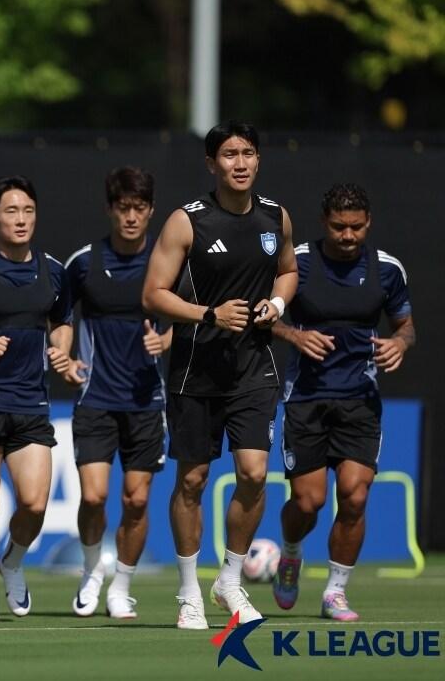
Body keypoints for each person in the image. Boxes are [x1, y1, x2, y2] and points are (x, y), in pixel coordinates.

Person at [142, 121, 298, 629]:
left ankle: (228, 580)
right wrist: (209, 314)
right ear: (212, 163)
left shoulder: (276, 217)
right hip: (195, 368)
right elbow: (153, 295)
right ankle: (188, 591)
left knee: (254, 474)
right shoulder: (187, 222)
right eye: (229, 154)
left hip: (255, 366)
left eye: (248, 153)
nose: (240, 162)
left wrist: (277, 302)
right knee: (192, 479)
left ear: (258, 160)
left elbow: (289, 270)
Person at [271, 183, 414, 621]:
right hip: (307, 399)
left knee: (354, 497)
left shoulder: (387, 269)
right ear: (323, 224)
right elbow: (263, 317)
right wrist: (294, 334)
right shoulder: (298, 264)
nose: (348, 235)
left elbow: (407, 327)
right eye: (339, 227)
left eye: (356, 227)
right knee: (309, 503)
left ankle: (335, 592)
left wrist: (401, 344)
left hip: (359, 400)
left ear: (368, 223)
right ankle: (291, 552)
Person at [0, 175, 72, 624]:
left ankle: (13, 562)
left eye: (28, 211)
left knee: (35, 504)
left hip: (31, 403)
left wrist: (61, 349)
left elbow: (61, 321)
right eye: (11, 211)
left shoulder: (54, 272)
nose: (21, 220)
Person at [63, 167, 170, 619]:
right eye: (123, 208)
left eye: (139, 209)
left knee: (138, 500)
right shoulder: (83, 262)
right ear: (110, 209)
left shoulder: (168, 263)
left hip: (147, 402)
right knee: (92, 497)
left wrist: (166, 341)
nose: (131, 217)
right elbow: (62, 319)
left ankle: (121, 586)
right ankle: (92, 569)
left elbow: (191, 320)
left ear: (150, 211)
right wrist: (63, 357)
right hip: (95, 399)